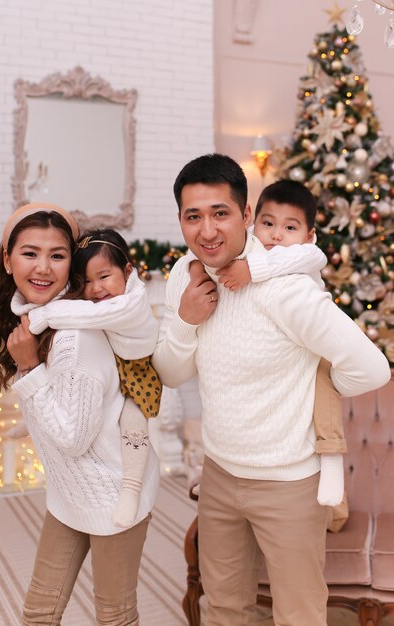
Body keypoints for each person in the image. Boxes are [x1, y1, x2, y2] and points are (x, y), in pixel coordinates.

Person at [152, 153, 391, 626]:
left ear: (245, 215)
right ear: (180, 219)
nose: (207, 231)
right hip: (219, 472)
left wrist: (320, 382)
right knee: (222, 608)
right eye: (192, 216)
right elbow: (171, 374)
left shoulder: (286, 288)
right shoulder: (186, 274)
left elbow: (371, 368)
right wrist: (186, 320)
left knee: (298, 615)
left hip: (288, 483)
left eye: (220, 213)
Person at [0, 202, 160, 626]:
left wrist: (29, 369)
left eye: (57, 256)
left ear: (70, 265)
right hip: (70, 492)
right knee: (39, 613)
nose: (43, 267)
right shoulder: (36, 319)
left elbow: (73, 438)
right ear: (8, 260)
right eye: (29, 253)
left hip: (113, 495)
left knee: (114, 617)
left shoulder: (73, 339)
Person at [205, 179, 346, 507]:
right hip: (281, 353)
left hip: (316, 342)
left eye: (290, 227)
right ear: (253, 222)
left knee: (323, 391)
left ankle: (333, 457)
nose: (277, 235)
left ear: (308, 236)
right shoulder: (250, 249)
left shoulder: (306, 255)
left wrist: (251, 269)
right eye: (268, 224)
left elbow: (307, 259)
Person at [23, 228, 162, 528]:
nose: (96, 289)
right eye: (86, 281)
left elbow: (85, 315)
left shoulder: (130, 302)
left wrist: (40, 315)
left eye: (104, 276)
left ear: (127, 271)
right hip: (117, 365)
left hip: (138, 376)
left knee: (133, 426)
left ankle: (131, 488)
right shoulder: (107, 300)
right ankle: (31, 419)